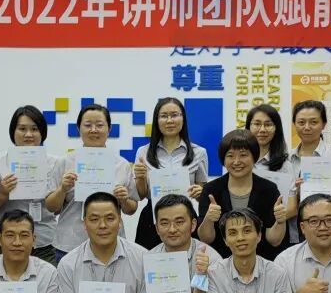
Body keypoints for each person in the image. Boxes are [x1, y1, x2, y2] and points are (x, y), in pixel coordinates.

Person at [47, 104, 138, 261]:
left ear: (109, 129)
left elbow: (132, 208)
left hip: (111, 244)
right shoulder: (65, 162)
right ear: (79, 128)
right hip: (70, 244)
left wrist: (124, 200)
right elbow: (50, 207)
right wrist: (62, 189)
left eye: (99, 125)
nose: (94, 130)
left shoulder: (121, 164)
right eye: (88, 125)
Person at [197, 129, 290, 260]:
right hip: (221, 263)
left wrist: (280, 222)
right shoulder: (211, 190)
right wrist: (209, 219)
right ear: (223, 159)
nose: (236, 161)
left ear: (254, 157)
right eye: (230, 156)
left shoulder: (269, 189)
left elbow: (274, 241)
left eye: (243, 155)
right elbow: (206, 239)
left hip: (259, 262)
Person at [133, 98, 208, 249]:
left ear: (183, 118)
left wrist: (200, 192)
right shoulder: (143, 152)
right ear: (156, 120)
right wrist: (140, 178)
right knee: (150, 261)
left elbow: (202, 196)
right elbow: (141, 195)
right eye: (164, 116)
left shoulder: (199, 153)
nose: (169, 120)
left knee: (187, 260)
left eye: (174, 115)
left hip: (184, 217)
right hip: (152, 218)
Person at [0, 106, 58, 265]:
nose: (28, 134)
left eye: (34, 129)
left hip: (45, 240)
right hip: (4, 240)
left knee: (45, 280)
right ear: (13, 132)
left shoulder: (55, 163)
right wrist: (3, 193)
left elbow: (59, 208)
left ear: (42, 133)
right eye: (22, 129)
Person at [286, 100, 331, 245]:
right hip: (297, 232)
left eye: (313, 122)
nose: (307, 127)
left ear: (323, 124)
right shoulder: (288, 158)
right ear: (294, 124)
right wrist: (295, 191)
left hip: (330, 230)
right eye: (301, 122)